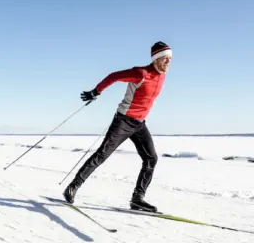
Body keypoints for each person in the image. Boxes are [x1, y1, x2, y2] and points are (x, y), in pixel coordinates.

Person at [63, 41, 172, 213]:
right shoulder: (141, 73)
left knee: (151, 158)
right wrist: (95, 91)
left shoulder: (162, 76)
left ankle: (138, 198)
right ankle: (73, 186)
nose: (168, 62)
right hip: (123, 121)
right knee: (102, 154)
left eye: (170, 58)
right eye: (165, 58)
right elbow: (113, 76)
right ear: (156, 59)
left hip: (139, 124)